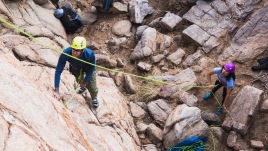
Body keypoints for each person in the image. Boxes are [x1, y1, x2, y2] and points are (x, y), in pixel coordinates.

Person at [53, 36, 99, 108]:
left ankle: (94, 97)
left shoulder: (90, 55)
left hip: (88, 68)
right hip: (76, 68)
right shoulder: (66, 53)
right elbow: (58, 71)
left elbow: (91, 69)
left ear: (82, 50)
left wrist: (86, 81)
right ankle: (83, 87)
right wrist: (56, 90)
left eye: (77, 51)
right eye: (73, 49)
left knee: (92, 86)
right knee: (79, 81)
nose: (74, 52)